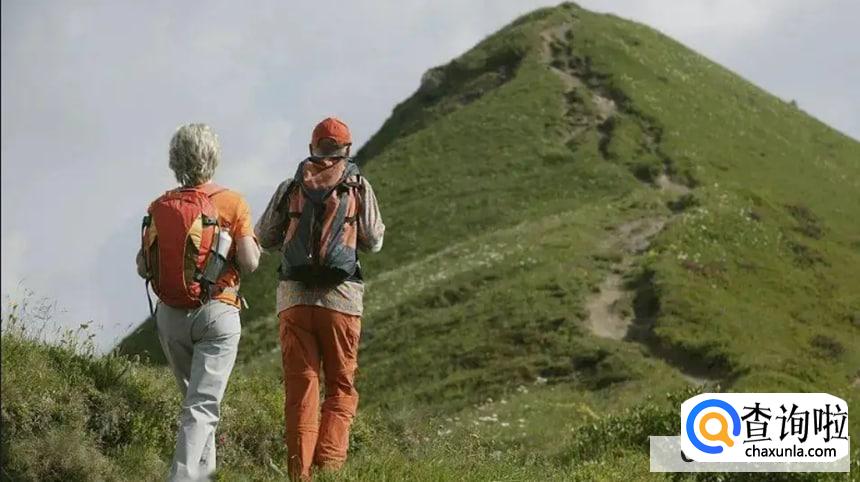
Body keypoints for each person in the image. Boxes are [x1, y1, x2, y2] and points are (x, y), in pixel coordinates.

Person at [255, 117, 385, 480]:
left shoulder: (291, 185)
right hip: (341, 301)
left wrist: (292, 244)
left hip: (294, 300)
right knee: (340, 388)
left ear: (312, 148)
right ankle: (330, 469)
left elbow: (264, 237)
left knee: (301, 391)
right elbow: (374, 241)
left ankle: (300, 475)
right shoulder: (358, 186)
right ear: (346, 150)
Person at [135, 123, 260, 482]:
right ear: (213, 158)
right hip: (217, 314)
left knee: (196, 406)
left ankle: (206, 475)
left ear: (175, 160)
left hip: (171, 316)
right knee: (202, 407)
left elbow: (143, 265)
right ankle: (183, 477)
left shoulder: (160, 206)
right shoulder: (233, 203)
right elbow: (250, 263)